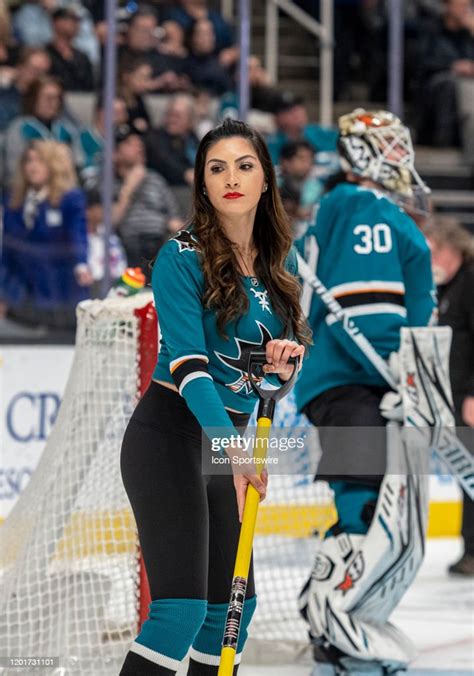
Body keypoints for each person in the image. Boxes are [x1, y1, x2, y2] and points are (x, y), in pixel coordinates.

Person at [119, 118, 309, 675]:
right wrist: (237, 453)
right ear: (202, 183)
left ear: (266, 179)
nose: (232, 178)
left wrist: (284, 362)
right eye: (217, 168)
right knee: (178, 613)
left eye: (244, 166)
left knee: (233, 611)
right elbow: (192, 372)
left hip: (223, 448)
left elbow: (283, 365)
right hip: (171, 437)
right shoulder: (182, 256)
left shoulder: (283, 260)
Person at [295, 109, 437, 673]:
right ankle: (334, 621)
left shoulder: (353, 208)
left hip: (352, 383)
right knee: (369, 499)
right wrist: (401, 375)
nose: (401, 156)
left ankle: (329, 614)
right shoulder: (364, 208)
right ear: (365, 154)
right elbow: (368, 311)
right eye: (389, 145)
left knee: (373, 502)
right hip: (359, 382)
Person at [424, 216, 474, 577]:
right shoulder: (448, 287)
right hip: (453, 396)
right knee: (466, 473)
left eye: (434, 253)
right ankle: (469, 547)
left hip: (469, 397)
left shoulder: (470, 280)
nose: (430, 263)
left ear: (451, 248)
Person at [0, 139, 91, 332]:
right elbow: (7, 250)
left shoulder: (70, 199)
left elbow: (78, 234)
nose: (32, 167)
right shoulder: (13, 200)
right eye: (28, 161)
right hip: (23, 291)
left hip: (59, 288)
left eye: (39, 161)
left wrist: (81, 264)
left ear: (53, 165)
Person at [112, 128, 184, 277]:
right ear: (115, 154)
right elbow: (109, 222)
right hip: (126, 246)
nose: (139, 147)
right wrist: (129, 187)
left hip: (159, 243)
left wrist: (167, 224)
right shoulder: (108, 182)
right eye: (130, 144)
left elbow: (176, 219)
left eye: (140, 144)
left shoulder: (155, 179)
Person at [3, 74, 79, 184]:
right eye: (48, 98)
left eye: (57, 98)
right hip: (25, 191)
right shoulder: (19, 128)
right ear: (33, 99)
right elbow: (13, 170)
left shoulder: (68, 129)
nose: (54, 103)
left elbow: (77, 165)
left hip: (61, 189)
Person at [46, 6, 95, 92]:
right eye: (71, 19)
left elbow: (89, 88)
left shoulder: (82, 58)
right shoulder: (45, 54)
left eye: (77, 21)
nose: (75, 24)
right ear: (56, 22)